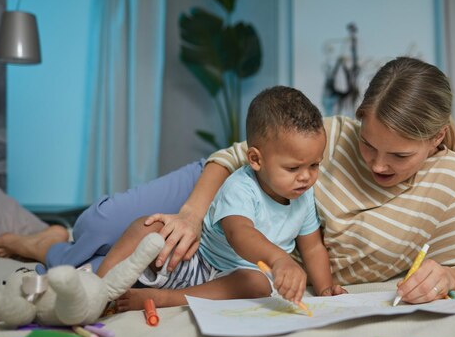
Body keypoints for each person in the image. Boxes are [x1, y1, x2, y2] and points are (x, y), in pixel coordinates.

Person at [0, 56, 455, 307]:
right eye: (368, 144)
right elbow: (234, 157)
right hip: (225, 186)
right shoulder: (332, 135)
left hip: (260, 234)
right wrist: (190, 213)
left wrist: (448, 278)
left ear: (434, 142)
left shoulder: (453, 182)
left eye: (398, 156)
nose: (377, 164)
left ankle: (59, 252)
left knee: (109, 264)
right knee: (99, 222)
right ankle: (49, 241)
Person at [95, 86, 346, 310]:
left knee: (258, 283)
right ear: (256, 160)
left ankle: (167, 299)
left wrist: (325, 290)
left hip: (234, 281)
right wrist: (279, 259)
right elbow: (240, 234)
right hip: (195, 261)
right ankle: (98, 291)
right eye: (293, 169)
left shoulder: (303, 195)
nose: (306, 177)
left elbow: (312, 247)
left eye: (315, 165)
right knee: (148, 227)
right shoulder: (241, 186)